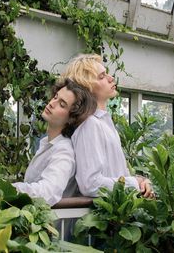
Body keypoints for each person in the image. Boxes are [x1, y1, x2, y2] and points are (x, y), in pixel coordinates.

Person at [0, 78, 97, 206]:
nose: (52, 103)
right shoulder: (47, 142)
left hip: (51, 224)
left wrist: (2, 188)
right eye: (55, 97)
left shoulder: (64, 151)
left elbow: (48, 192)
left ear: (72, 118)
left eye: (62, 104)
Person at [62, 54, 153, 198]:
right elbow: (90, 184)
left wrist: (141, 181)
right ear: (87, 87)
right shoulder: (89, 125)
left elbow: (117, 173)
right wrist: (134, 183)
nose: (111, 78)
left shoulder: (103, 123)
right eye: (102, 76)